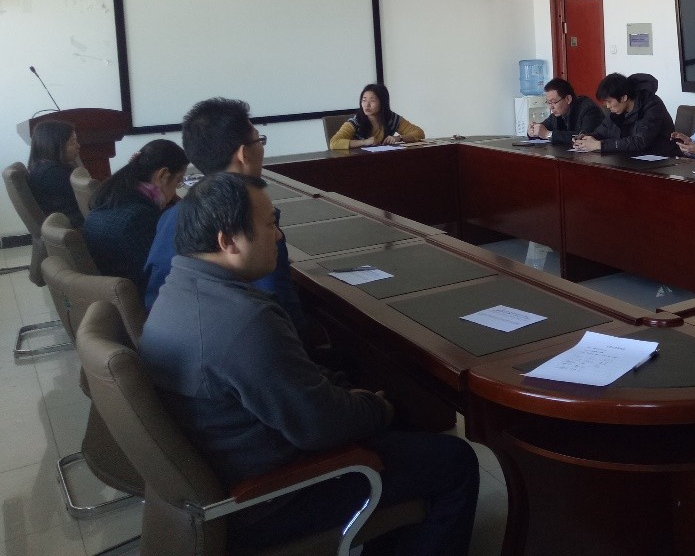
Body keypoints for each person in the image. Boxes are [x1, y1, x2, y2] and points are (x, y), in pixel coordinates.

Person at [140, 172, 479, 555]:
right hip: (272, 496)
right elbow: (320, 427)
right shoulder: (242, 322)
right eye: (270, 225)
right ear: (228, 241)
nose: (278, 235)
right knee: (455, 461)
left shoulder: (176, 290)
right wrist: (376, 407)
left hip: (232, 465)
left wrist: (348, 397)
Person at [143, 98, 305, 335]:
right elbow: (284, 316)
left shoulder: (170, 215)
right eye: (259, 141)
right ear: (243, 154)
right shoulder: (251, 222)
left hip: (168, 333)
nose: (262, 148)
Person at [83, 138, 187, 292]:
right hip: (145, 297)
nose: (176, 190)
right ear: (162, 175)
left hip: (114, 292)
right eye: (178, 181)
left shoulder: (112, 200)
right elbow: (164, 270)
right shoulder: (140, 219)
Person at [573, 73, 675, 157]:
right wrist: (586, 138)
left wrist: (599, 145)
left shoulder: (652, 105)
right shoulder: (617, 111)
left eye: (609, 101)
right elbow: (601, 133)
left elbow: (641, 141)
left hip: (660, 159)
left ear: (623, 98)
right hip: (630, 159)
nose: (607, 106)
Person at [329, 83, 425, 150]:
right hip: (358, 163)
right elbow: (334, 143)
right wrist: (364, 142)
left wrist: (399, 138)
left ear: (382, 102)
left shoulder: (391, 118)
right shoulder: (355, 121)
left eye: (372, 100)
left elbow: (419, 133)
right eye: (364, 100)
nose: (367, 105)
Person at [26, 119, 83, 227]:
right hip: (73, 226)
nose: (78, 146)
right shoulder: (53, 174)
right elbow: (82, 204)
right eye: (73, 142)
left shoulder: (41, 167)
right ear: (56, 144)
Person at [528, 77, 602, 145]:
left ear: (568, 99)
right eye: (548, 102)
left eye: (553, 102)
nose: (551, 107)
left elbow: (584, 138)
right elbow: (543, 128)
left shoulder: (589, 110)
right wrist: (533, 131)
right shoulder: (557, 113)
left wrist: (548, 134)